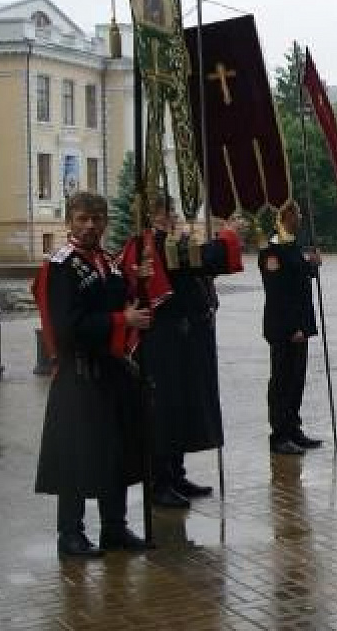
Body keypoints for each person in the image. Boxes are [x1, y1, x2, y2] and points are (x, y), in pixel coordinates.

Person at [33, 192, 152, 557]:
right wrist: (121, 320)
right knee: (77, 455)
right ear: (69, 221)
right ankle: (70, 533)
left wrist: (136, 282)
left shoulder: (106, 262)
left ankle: (114, 528)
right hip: (79, 373)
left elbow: (117, 297)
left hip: (110, 371)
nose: (91, 225)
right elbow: (68, 327)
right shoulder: (61, 267)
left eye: (97, 218)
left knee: (113, 451)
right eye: (83, 218)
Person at [132, 198, 245, 505]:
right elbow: (205, 258)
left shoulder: (168, 241)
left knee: (181, 406)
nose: (171, 217)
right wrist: (228, 235)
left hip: (183, 338)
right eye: (164, 212)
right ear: (150, 216)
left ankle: (176, 473)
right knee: (166, 410)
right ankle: (160, 481)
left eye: (172, 212)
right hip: (164, 340)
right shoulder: (152, 244)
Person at [258, 200, 322, 455]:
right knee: (282, 381)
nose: (301, 217)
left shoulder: (292, 245)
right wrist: (293, 327)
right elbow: (278, 293)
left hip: (300, 326)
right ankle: (279, 434)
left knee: (297, 379)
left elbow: (299, 272)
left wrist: (312, 264)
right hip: (285, 327)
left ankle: (294, 428)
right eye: (297, 213)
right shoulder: (271, 250)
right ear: (285, 216)